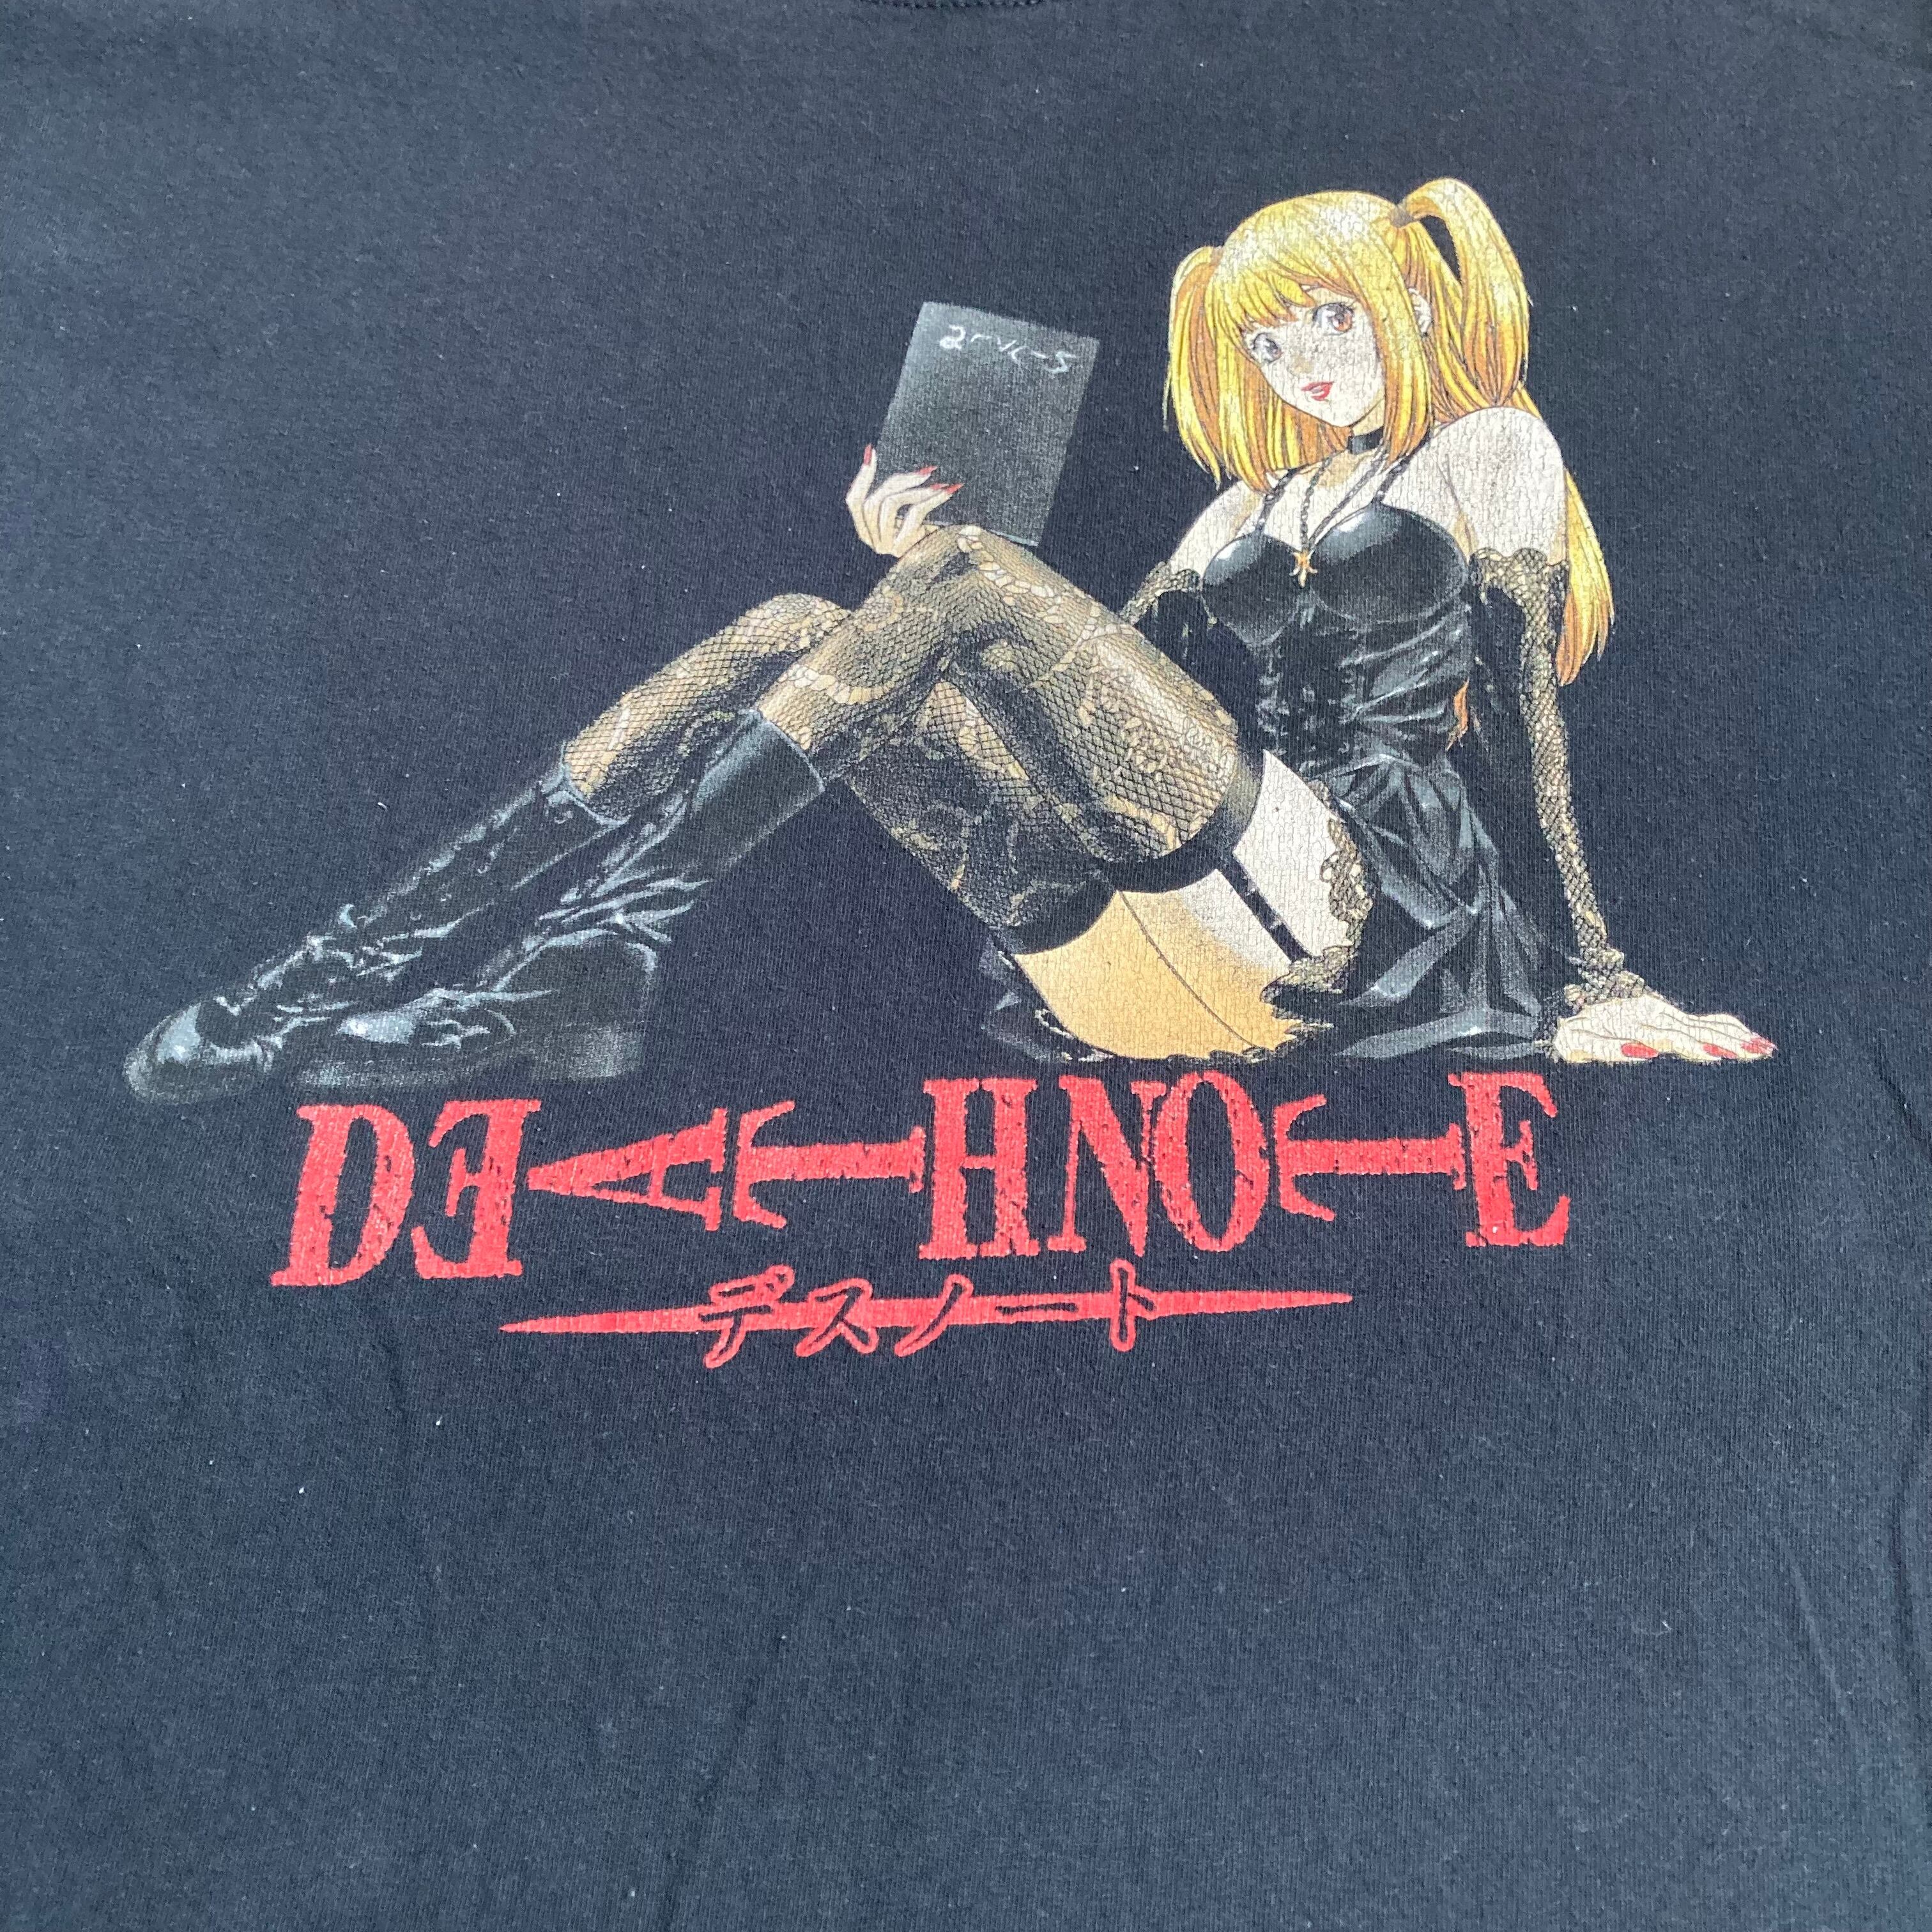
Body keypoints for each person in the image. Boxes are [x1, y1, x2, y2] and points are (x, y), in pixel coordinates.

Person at [123, 178, 1770, 1103]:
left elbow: (1530, 725)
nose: (1303, 362)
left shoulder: (1489, 447)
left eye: (1330, 318)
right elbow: (1060, 679)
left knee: (965, 579)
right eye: (1272, 342)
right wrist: (917, 573)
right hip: (1153, 956)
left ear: (1410, 300)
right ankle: (341, 971)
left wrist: (1596, 979)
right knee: (802, 627)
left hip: (1357, 921)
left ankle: (593, 951)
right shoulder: (1240, 506)